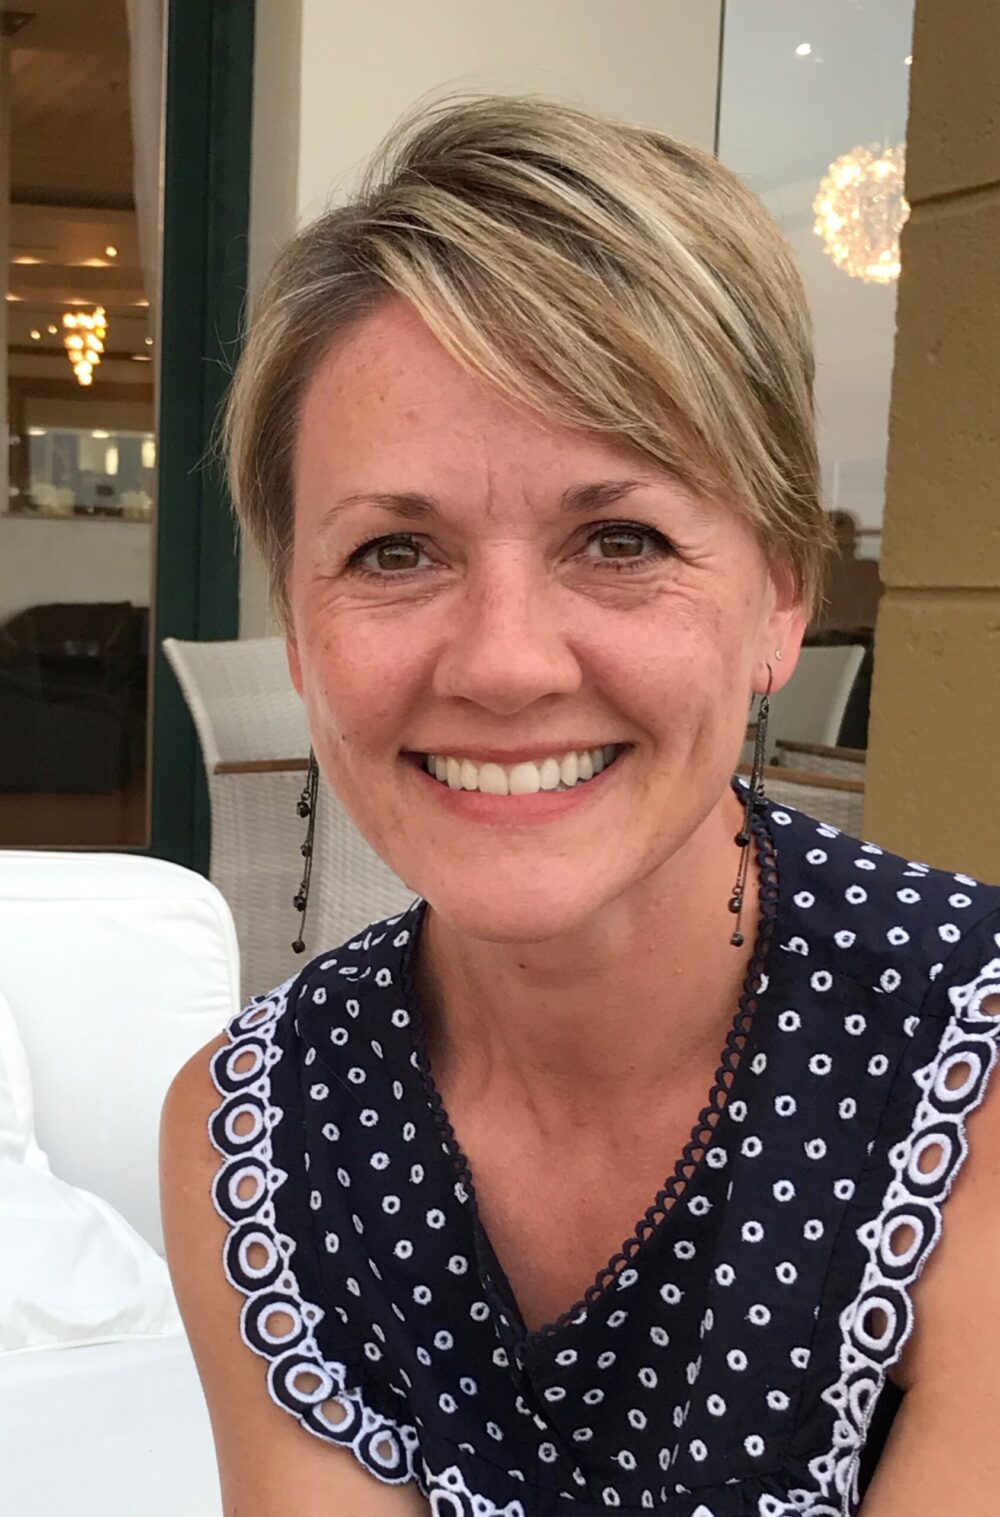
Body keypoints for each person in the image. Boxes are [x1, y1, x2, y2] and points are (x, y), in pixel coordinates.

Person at [161, 96, 1000, 1517]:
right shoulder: (254, 1136)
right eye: (395, 548)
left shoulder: (967, 1077)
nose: (501, 661)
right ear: (299, 631)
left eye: (621, 539)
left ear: (780, 600)